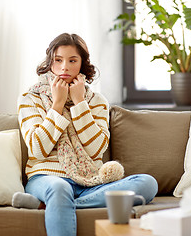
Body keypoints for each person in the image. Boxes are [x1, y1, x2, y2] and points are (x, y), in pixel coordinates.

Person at [12, 33, 158, 236]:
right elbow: (38, 148)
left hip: (89, 182)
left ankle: (50, 205)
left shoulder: (96, 101)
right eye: (58, 60)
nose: (64, 67)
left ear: (82, 64)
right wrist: (58, 104)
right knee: (59, 189)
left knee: (148, 183)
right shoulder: (30, 99)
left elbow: (95, 149)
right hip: (46, 178)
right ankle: (56, 199)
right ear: (50, 63)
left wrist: (79, 103)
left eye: (72, 60)